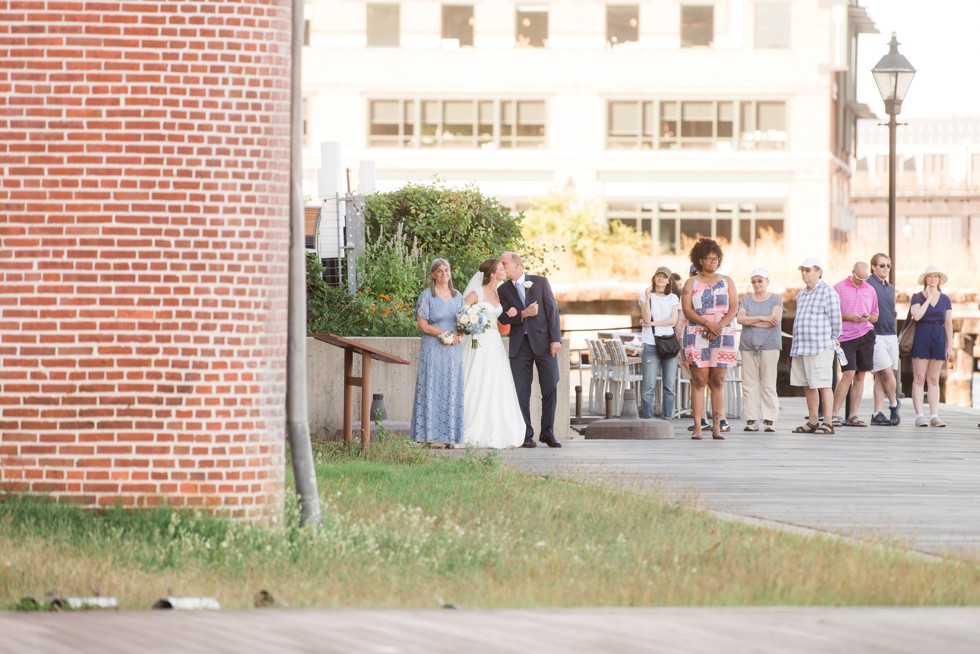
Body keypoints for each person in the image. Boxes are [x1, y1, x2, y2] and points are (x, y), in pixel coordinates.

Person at [498, 251, 563, 448]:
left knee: (551, 384)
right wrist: (521, 314)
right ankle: (526, 434)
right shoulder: (503, 290)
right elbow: (503, 318)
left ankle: (547, 432)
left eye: (504, 263)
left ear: (517, 265)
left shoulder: (540, 282)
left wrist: (555, 339)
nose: (502, 267)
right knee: (521, 391)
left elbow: (552, 311)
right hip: (519, 346)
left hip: (544, 343)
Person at [460, 259, 526, 448]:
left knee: (495, 383)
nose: (505, 270)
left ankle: (497, 428)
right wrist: (471, 324)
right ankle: (470, 427)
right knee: (476, 380)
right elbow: (461, 313)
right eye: (501, 268)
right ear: (493, 273)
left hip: (494, 343)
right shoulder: (477, 292)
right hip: (478, 342)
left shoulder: (499, 293)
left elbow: (502, 317)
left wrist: (512, 312)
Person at [681, 238, 738, 440]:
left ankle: (717, 426)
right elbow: (687, 309)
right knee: (699, 380)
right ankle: (698, 426)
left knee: (718, 380)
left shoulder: (727, 281)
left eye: (716, 258)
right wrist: (708, 324)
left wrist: (718, 326)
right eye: (708, 258)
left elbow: (733, 308)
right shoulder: (691, 283)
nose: (713, 262)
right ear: (699, 260)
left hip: (722, 334)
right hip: (697, 334)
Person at [410, 258, 464, 448]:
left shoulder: (458, 296)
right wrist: (444, 334)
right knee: (432, 386)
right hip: (433, 347)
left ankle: (449, 437)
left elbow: (463, 321)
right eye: (439, 271)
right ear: (433, 275)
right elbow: (422, 325)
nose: (444, 273)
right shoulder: (427, 296)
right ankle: (430, 437)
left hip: (453, 351)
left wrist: (459, 335)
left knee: (451, 387)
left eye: (446, 270)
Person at [789, 257, 842, 435]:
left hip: (820, 346)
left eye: (808, 270)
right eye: (802, 270)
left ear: (818, 272)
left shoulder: (828, 292)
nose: (804, 273)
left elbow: (836, 320)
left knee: (823, 384)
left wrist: (833, 337)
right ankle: (812, 421)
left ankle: (828, 422)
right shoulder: (801, 294)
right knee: (808, 385)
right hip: (801, 346)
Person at [829, 262, 878, 428]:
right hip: (845, 337)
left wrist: (867, 317)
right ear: (852, 273)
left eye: (864, 279)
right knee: (848, 374)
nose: (861, 282)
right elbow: (831, 314)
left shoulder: (870, 289)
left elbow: (875, 316)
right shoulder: (838, 288)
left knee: (861, 375)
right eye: (858, 279)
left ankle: (853, 415)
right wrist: (849, 316)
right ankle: (834, 414)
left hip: (866, 334)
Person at [736, 268, 782, 432]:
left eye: (760, 281)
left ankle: (769, 419)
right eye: (754, 281)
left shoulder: (776, 299)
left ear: (767, 282)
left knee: (768, 383)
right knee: (749, 384)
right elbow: (740, 319)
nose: (757, 284)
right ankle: (751, 419)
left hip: (770, 346)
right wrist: (762, 318)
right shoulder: (746, 300)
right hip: (748, 346)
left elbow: (773, 321)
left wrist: (751, 322)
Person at [909, 266, 953, 428]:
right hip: (922, 338)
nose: (933, 279)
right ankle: (920, 415)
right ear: (925, 280)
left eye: (936, 276)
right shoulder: (917, 297)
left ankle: (934, 415)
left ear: (939, 279)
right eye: (930, 277)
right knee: (919, 378)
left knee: (933, 379)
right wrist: (927, 299)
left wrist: (950, 346)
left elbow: (948, 323)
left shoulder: (946, 299)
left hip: (938, 339)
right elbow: (917, 316)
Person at [638, 266, 680, 420]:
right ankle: (648, 420)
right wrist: (648, 298)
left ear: (669, 281)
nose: (661, 279)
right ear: (654, 278)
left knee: (669, 386)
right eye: (658, 276)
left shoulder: (673, 298)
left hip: (669, 344)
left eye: (664, 276)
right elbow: (647, 319)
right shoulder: (644, 297)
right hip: (651, 344)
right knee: (648, 386)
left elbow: (673, 320)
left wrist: (653, 324)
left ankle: (666, 419)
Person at [867, 253, 901, 426]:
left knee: (882, 376)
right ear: (873, 267)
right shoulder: (868, 285)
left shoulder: (890, 287)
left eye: (888, 265)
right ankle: (894, 405)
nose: (886, 268)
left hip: (891, 334)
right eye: (882, 265)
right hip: (875, 335)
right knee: (886, 371)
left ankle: (877, 413)